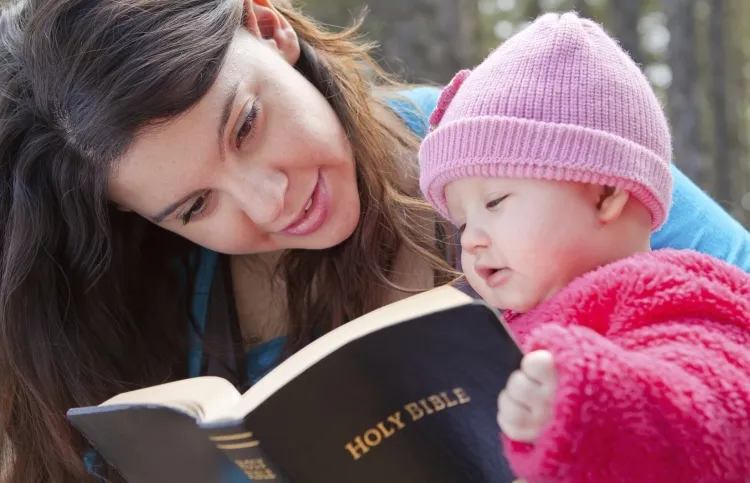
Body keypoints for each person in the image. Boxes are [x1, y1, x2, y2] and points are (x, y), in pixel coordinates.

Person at [0, 0, 747, 481]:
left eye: (247, 126)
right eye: (195, 205)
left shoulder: (509, 152)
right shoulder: (153, 303)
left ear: (269, 26)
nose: (271, 200)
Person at [419, 11, 750, 483]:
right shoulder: (494, 328)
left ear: (605, 192)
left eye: (494, 201)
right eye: (462, 221)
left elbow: (724, 411)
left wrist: (592, 405)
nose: (471, 238)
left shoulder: (672, 289)